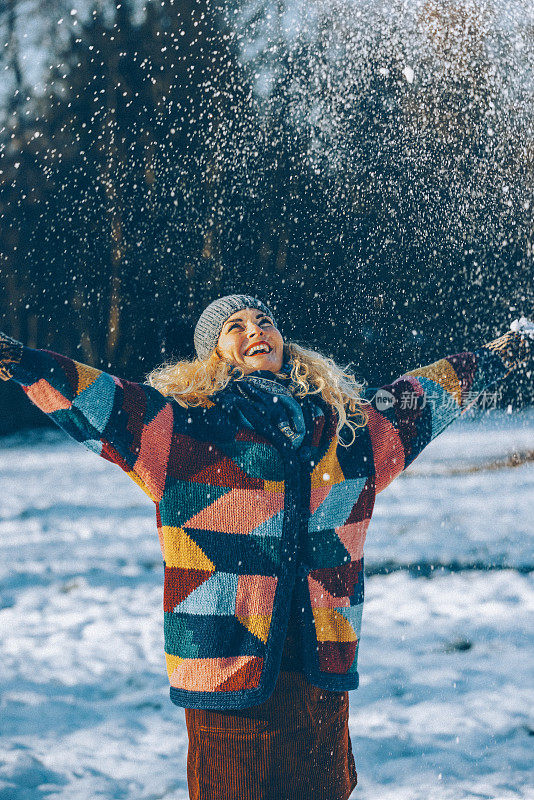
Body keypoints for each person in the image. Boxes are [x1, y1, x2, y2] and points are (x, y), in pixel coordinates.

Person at [0, 296, 532, 800]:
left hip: (320, 667)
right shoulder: (183, 430)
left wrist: (489, 360)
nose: (255, 329)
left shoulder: (343, 429)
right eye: (235, 326)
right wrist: (23, 362)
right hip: (226, 666)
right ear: (213, 354)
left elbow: (420, 398)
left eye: (264, 320)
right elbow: (104, 400)